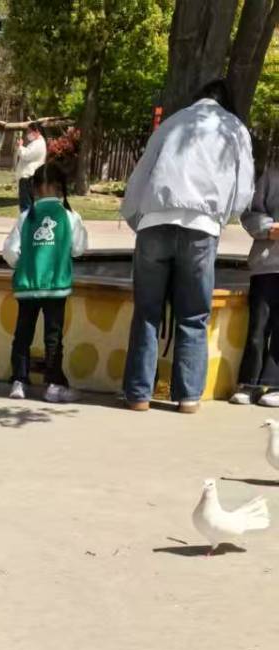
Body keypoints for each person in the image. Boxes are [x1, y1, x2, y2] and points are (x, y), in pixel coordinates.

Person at [121, 79, 254, 414]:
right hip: (201, 226)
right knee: (193, 314)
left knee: (147, 313)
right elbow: (242, 190)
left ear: (198, 98)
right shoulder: (235, 128)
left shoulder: (172, 122)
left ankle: (138, 394)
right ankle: (188, 397)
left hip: (154, 222)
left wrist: (139, 219)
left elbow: (141, 175)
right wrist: (223, 218)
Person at [2, 161, 88, 403]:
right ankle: (52, 384)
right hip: (56, 287)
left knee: (22, 335)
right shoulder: (71, 216)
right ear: (58, 187)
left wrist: (23, 264)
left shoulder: (26, 216)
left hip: (28, 285)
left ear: (37, 188)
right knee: (53, 337)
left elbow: (10, 252)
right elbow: (79, 249)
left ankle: (19, 381)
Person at [229, 161, 279, 404]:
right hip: (267, 264)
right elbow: (250, 212)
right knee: (257, 328)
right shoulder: (271, 175)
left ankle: (275, 385)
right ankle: (249, 383)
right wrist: (268, 228)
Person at [14, 123, 47, 211]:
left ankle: (27, 222)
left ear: (36, 131)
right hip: (28, 176)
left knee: (26, 205)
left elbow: (27, 155)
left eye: (29, 131)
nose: (27, 134)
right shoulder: (35, 143)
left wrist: (20, 146)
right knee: (26, 203)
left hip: (29, 176)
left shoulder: (38, 143)